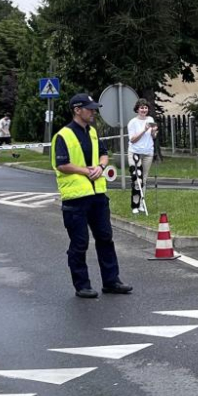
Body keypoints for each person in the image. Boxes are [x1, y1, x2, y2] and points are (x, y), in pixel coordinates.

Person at [52, 94, 132, 299]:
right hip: (76, 198)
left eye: (94, 108)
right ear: (77, 110)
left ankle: (111, 281)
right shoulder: (63, 135)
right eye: (90, 109)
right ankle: (82, 285)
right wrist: (86, 171)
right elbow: (62, 164)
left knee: (105, 238)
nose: (93, 112)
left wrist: (100, 166)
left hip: (97, 195)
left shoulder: (93, 132)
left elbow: (103, 154)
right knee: (80, 244)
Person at [127, 98, 158, 214]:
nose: (144, 110)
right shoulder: (132, 122)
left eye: (145, 107)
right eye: (141, 108)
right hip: (135, 153)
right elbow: (133, 140)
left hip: (148, 153)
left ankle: (141, 204)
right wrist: (144, 130)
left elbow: (153, 137)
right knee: (136, 179)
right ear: (137, 109)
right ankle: (134, 205)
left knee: (144, 180)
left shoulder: (150, 119)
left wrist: (154, 131)